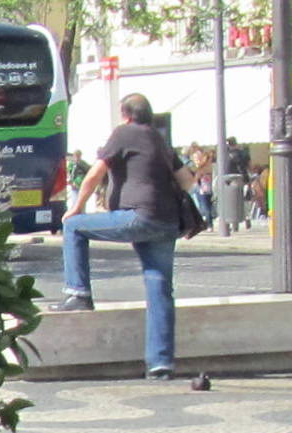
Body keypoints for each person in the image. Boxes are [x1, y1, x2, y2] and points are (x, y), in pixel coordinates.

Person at [55, 93, 194, 378]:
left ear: (126, 114)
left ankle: (78, 294)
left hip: (137, 216)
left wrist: (76, 208)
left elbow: (95, 174)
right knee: (160, 288)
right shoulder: (159, 139)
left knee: (73, 227)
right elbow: (188, 181)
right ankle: (160, 364)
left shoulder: (123, 133)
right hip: (167, 222)